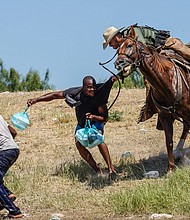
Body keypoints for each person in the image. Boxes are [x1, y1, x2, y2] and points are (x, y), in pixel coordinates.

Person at [27, 76, 117, 177]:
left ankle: (111, 169)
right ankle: (97, 169)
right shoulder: (75, 93)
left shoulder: (99, 96)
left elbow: (104, 119)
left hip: (96, 121)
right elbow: (54, 95)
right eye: (89, 87)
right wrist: (36, 99)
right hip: (82, 124)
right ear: (84, 87)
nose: (92, 90)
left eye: (94, 87)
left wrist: (93, 117)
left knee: (98, 138)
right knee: (79, 145)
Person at [102, 24, 170, 128]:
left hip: (162, 48)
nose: (111, 46)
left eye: (110, 43)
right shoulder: (124, 46)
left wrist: (126, 71)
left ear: (116, 38)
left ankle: (151, 108)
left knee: (149, 81)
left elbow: (141, 53)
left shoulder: (132, 36)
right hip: (153, 56)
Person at [0, 115, 23, 218]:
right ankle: (8, 194)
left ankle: (14, 211)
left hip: (4, 151)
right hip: (13, 149)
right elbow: (13, 132)